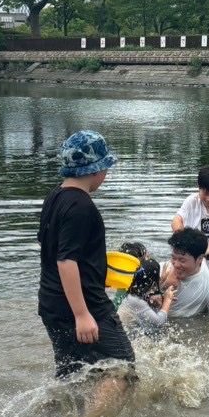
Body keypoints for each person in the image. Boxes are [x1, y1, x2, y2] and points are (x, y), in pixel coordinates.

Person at [37, 130, 134, 394]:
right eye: (106, 168)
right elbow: (66, 261)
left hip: (51, 304)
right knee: (123, 369)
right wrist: (82, 314)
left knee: (72, 375)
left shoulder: (55, 197)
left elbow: (50, 249)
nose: (106, 175)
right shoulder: (81, 206)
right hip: (83, 307)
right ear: (96, 169)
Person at [171, 165, 209, 283]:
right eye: (206, 193)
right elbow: (176, 221)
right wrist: (184, 240)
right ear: (199, 188)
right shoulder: (191, 201)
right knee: (174, 283)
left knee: (208, 284)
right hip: (185, 257)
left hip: (208, 263)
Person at [161, 228, 209, 319]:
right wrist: (162, 284)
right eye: (173, 258)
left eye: (182, 260)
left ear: (200, 259)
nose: (176, 264)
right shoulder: (165, 269)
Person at [116, 248, 176, 336]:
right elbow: (159, 322)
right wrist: (167, 301)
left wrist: (158, 298)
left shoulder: (132, 293)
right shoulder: (136, 301)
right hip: (120, 338)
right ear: (152, 282)